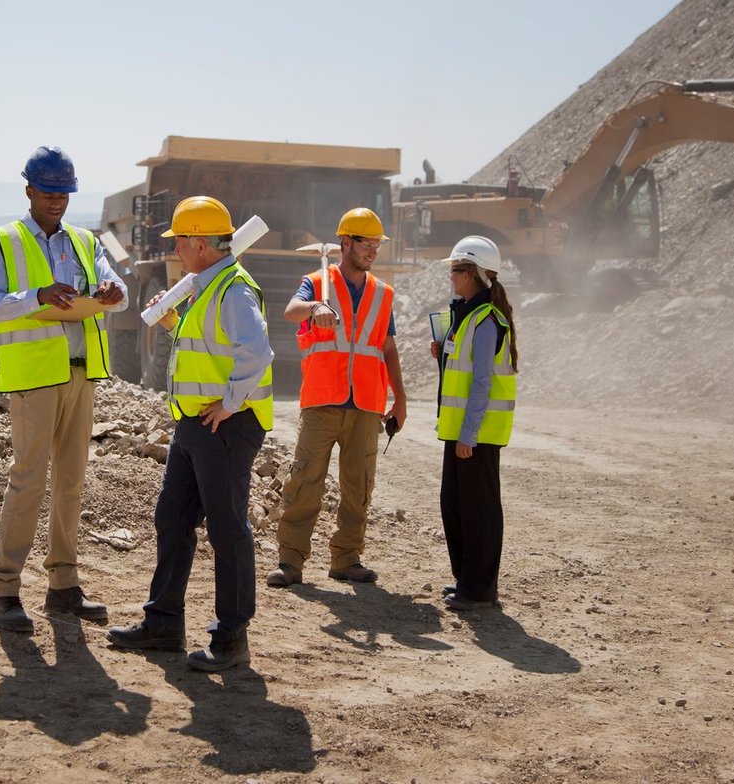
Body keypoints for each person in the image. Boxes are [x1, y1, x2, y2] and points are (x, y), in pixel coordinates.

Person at [107, 196, 274, 672]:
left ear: (200, 243)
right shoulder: (207, 286)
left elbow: (257, 352)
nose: (175, 248)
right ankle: (163, 623)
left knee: (228, 528)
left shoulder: (233, 289)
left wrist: (231, 402)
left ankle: (232, 637)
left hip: (225, 426)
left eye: (179, 240)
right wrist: (172, 322)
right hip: (194, 423)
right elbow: (207, 347)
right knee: (172, 519)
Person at [0, 147, 128, 634]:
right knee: (28, 481)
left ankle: (64, 586)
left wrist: (111, 295)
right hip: (34, 380)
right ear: (29, 191)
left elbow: (117, 291)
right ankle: (4, 593)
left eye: (65, 194)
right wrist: (36, 297)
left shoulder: (85, 241)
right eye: (49, 193)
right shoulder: (5, 240)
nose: (58, 202)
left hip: (80, 375)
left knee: (70, 482)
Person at [266, 207, 407, 588]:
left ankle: (347, 558)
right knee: (304, 482)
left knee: (358, 486)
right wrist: (316, 307)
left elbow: (388, 349)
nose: (373, 250)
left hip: (367, 404)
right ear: (345, 243)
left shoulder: (383, 294)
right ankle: (290, 562)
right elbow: (292, 311)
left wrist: (401, 399)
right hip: (322, 401)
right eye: (366, 243)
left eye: (377, 244)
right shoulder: (316, 282)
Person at [429, 235, 519, 611]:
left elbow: (482, 382)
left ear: (471, 274)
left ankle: (480, 590)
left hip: (476, 435)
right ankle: (467, 580)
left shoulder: (485, 320)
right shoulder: (467, 315)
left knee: (478, 510)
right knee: (456, 505)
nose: (450, 277)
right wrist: (441, 355)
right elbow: (463, 374)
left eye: (455, 270)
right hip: (461, 432)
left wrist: (469, 435)